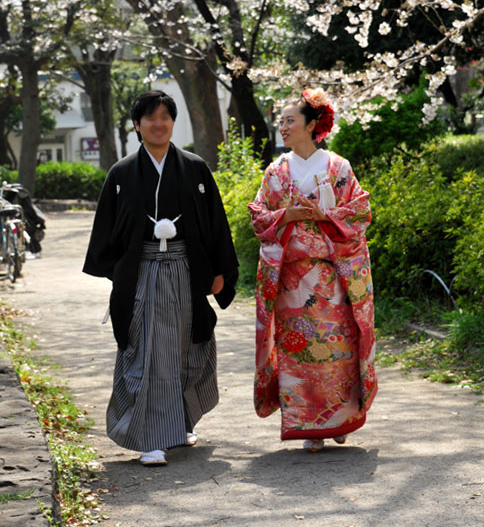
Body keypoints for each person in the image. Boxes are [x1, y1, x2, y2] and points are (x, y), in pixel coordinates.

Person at [83, 90, 238, 466]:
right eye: (150, 118)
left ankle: (179, 423)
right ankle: (150, 436)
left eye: (165, 117)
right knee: (147, 353)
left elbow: (216, 224)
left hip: (187, 271)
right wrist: (122, 274)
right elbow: (106, 233)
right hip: (143, 275)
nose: (158, 124)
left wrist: (220, 272)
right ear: (137, 125)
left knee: (187, 349)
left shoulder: (195, 167)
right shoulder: (121, 174)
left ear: (172, 122)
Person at [248, 88, 377, 451]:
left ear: (312, 125)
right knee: (298, 353)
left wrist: (326, 215)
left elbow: (360, 212)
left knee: (337, 352)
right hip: (291, 281)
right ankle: (307, 425)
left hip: (332, 278)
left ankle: (340, 419)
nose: (283, 127)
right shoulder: (276, 171)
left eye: (290, 120)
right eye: (282, 121)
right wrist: (285, 215)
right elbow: (259, 216)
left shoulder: (338, 167)